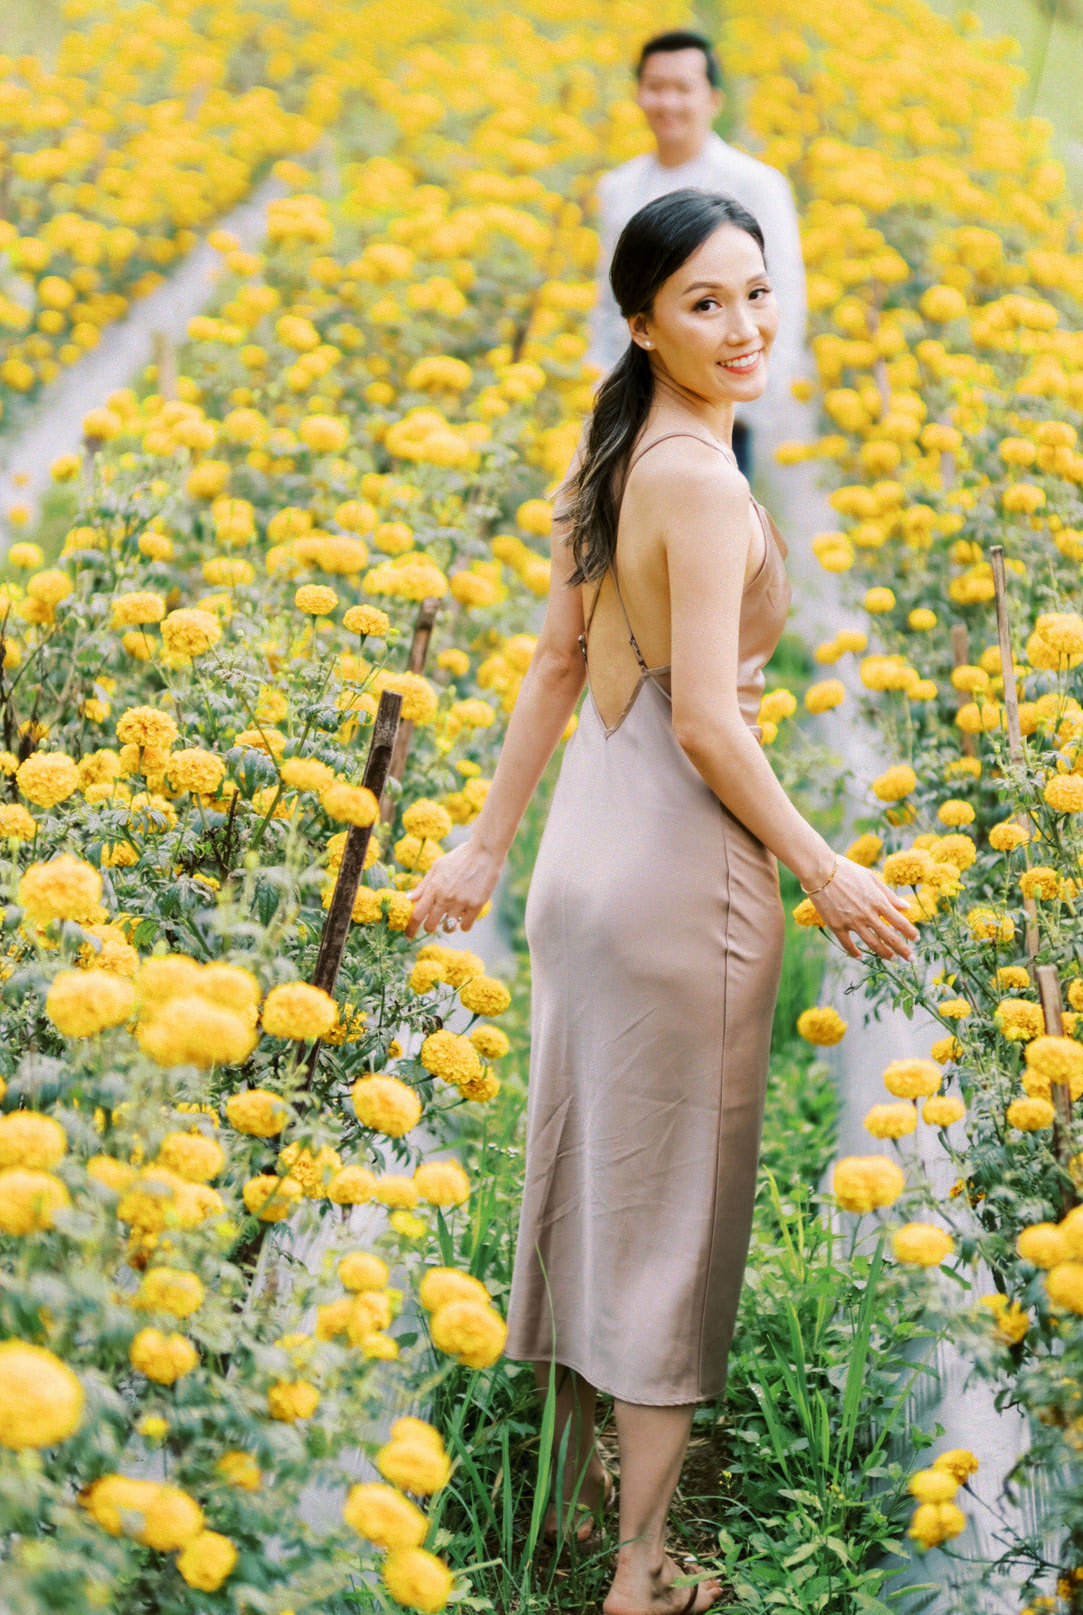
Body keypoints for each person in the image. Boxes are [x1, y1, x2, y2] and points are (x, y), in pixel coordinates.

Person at [407, 189, 917, 1615]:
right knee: (673, 1218)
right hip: (679, 874)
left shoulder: (620, 434)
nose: (745, 325)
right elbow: (707, 719)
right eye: (705, 302)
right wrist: (826, 867)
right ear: (644, 319)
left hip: (586, 853)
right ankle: (641, 1568)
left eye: (755, 292)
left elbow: (557, 667)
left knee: (590, 1187)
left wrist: (486, 851)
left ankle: (576, 1520)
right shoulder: (695, 478)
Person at [589, 30, 808, 486]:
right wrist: (601, 387)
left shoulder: (756, 185)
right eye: (655, 87)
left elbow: (780, 289)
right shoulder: (618, 188)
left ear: (713, 99)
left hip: (725, 398)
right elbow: (611, 300)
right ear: (639, 94)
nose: (668, 102)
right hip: (642, 404)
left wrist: (752, 401)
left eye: (682, 88)